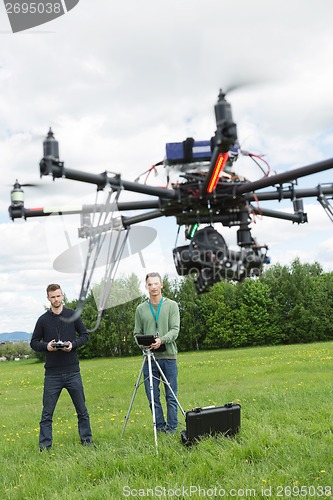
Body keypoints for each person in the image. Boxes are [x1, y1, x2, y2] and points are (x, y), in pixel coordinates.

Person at [30, 283, 93, 451]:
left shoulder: (73, 315)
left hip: (72, 371)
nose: (56, 299)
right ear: (48, 298)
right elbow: (33, 343)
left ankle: (87, 442)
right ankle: (45, 448)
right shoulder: (43, 320)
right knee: (47, 414)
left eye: (58, 296)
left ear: (62, 295)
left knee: (82, 410)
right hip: (52, 374)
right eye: (53, 297)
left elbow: (85, 335)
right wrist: (46, 347)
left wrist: (73, 345)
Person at [134, 272, 180, 434]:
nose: (153, 287)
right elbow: (136, 333)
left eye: (156, 284)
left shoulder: (172, 305)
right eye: (150, 284)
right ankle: (160, 428)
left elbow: (175, 330)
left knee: (171, 395)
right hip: (149, 359)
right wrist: (145, 345)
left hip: (168, 357)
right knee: (153, 397)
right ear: (146, 287)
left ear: (161, 285)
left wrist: (162, 340)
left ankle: (172, 428)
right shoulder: (140, 309)